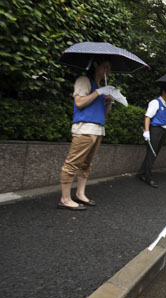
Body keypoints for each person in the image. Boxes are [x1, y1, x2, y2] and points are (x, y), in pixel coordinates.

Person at [58, 56, 114, 211]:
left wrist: (110, 100)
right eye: (106, 67)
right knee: (72, 164)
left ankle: (80, 194)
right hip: (84, 128)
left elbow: (105, 113)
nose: (108, 71)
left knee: (86, 165)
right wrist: (98, 92)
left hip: (98, 129)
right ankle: (65, 199)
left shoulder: (100, 86)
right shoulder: (84, 80)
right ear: (96, 64)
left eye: (109, 68)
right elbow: (79, 102)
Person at [136, 87, 166, 188]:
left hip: (162, 131)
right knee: (151, 153)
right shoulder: (155, 102)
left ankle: (141, 173)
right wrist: (147, 131)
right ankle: (148, 178)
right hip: (155, 130)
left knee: (154, 153)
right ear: (164, 92)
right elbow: (148, 117)